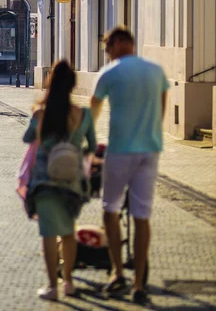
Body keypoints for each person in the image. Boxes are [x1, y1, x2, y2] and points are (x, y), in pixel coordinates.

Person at [90, 27, 169, 306]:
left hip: (120, 150)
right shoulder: (156, 71)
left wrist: (88, 147)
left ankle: (118, 273)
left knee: (110, 209)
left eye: (108, 46)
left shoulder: (110, 73)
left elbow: (94, 111)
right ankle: (139, 285)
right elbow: (161, 108)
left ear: (121, 43)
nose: (108, 52)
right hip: (150, 150)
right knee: (142, 215)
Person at [23, 60, 96, 301]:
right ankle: (70, 283)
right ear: (73, 85)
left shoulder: (40, 113)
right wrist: (76, 151)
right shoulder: (83, 114)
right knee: (68, 233)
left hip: (44, 182)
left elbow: (27, 138)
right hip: (71, 182)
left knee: (48, 235)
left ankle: (52, 286)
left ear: (50, 82)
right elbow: (93, 147)